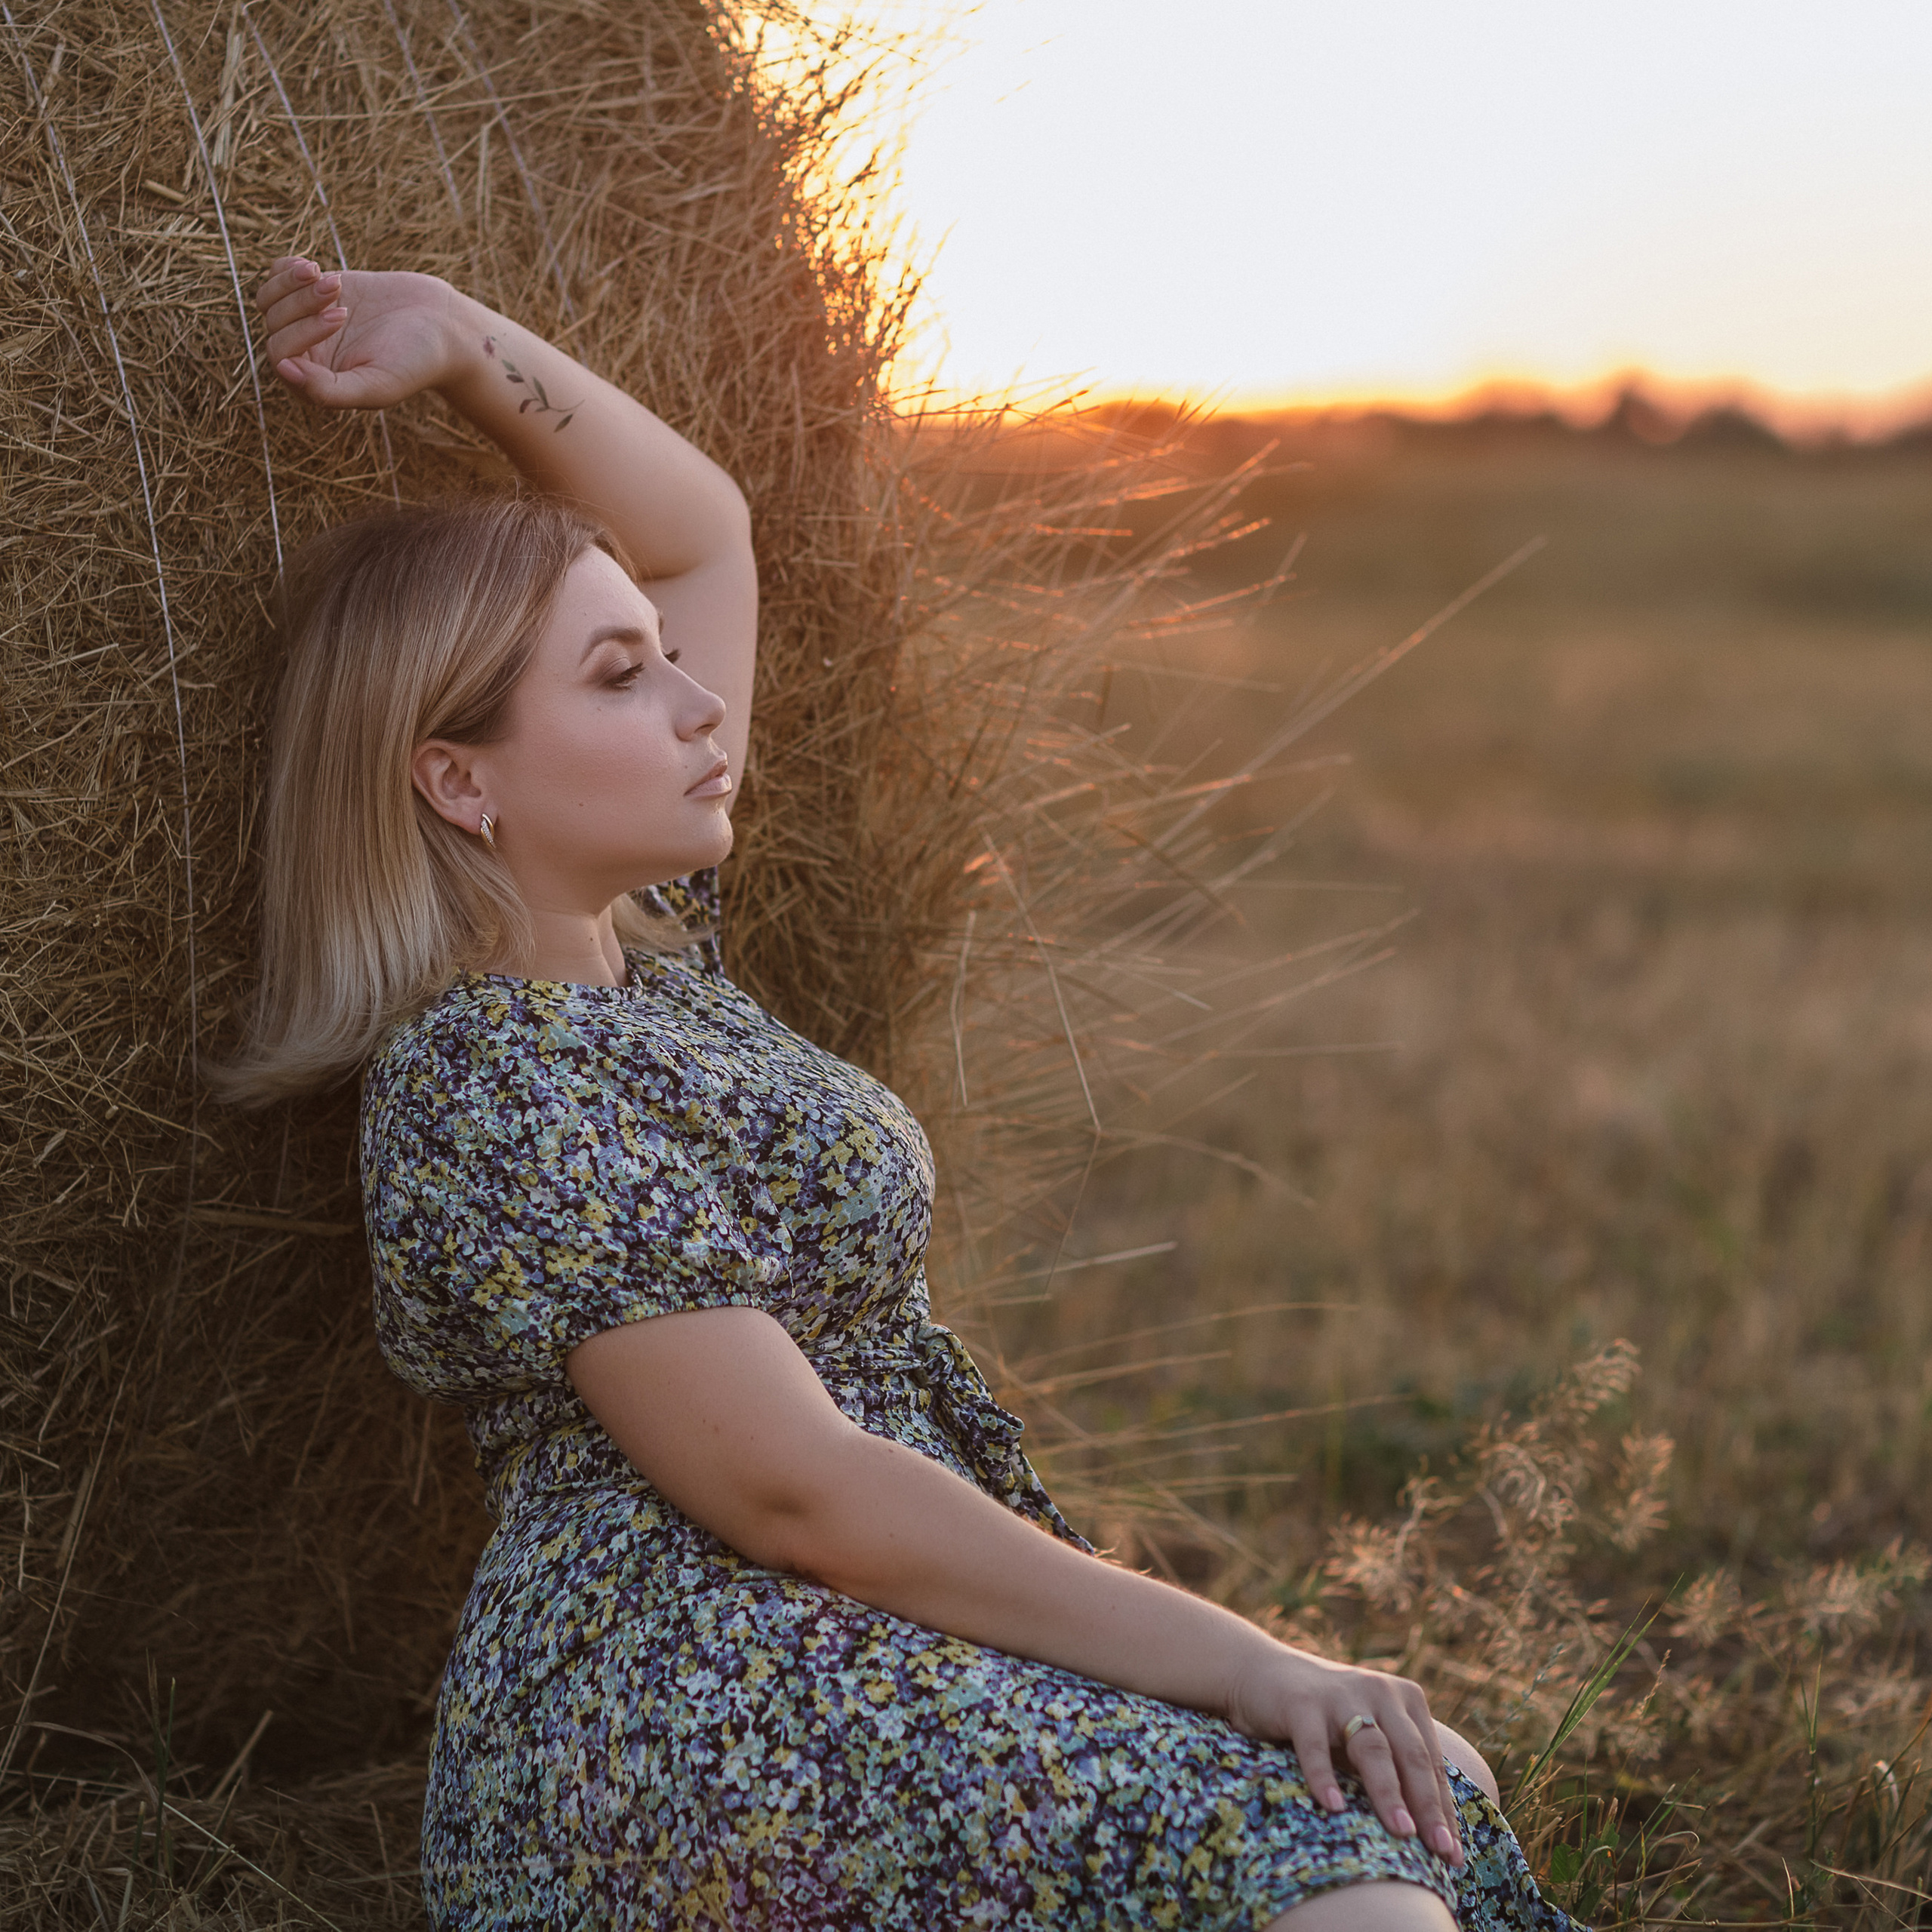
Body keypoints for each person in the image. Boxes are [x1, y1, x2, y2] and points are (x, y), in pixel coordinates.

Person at [237, 254, 1580, 1932]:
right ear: (456, 778)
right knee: (1336, 1860)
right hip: (687, 1697)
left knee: (1418, 1794)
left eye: (663, 660)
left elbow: (702, 531)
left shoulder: (663, 979)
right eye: (616, 677)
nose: (700, 699)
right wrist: (1245, 1658)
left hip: (835, 1629)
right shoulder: (487, 1073)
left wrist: (461, 339)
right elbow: (793, 1487)